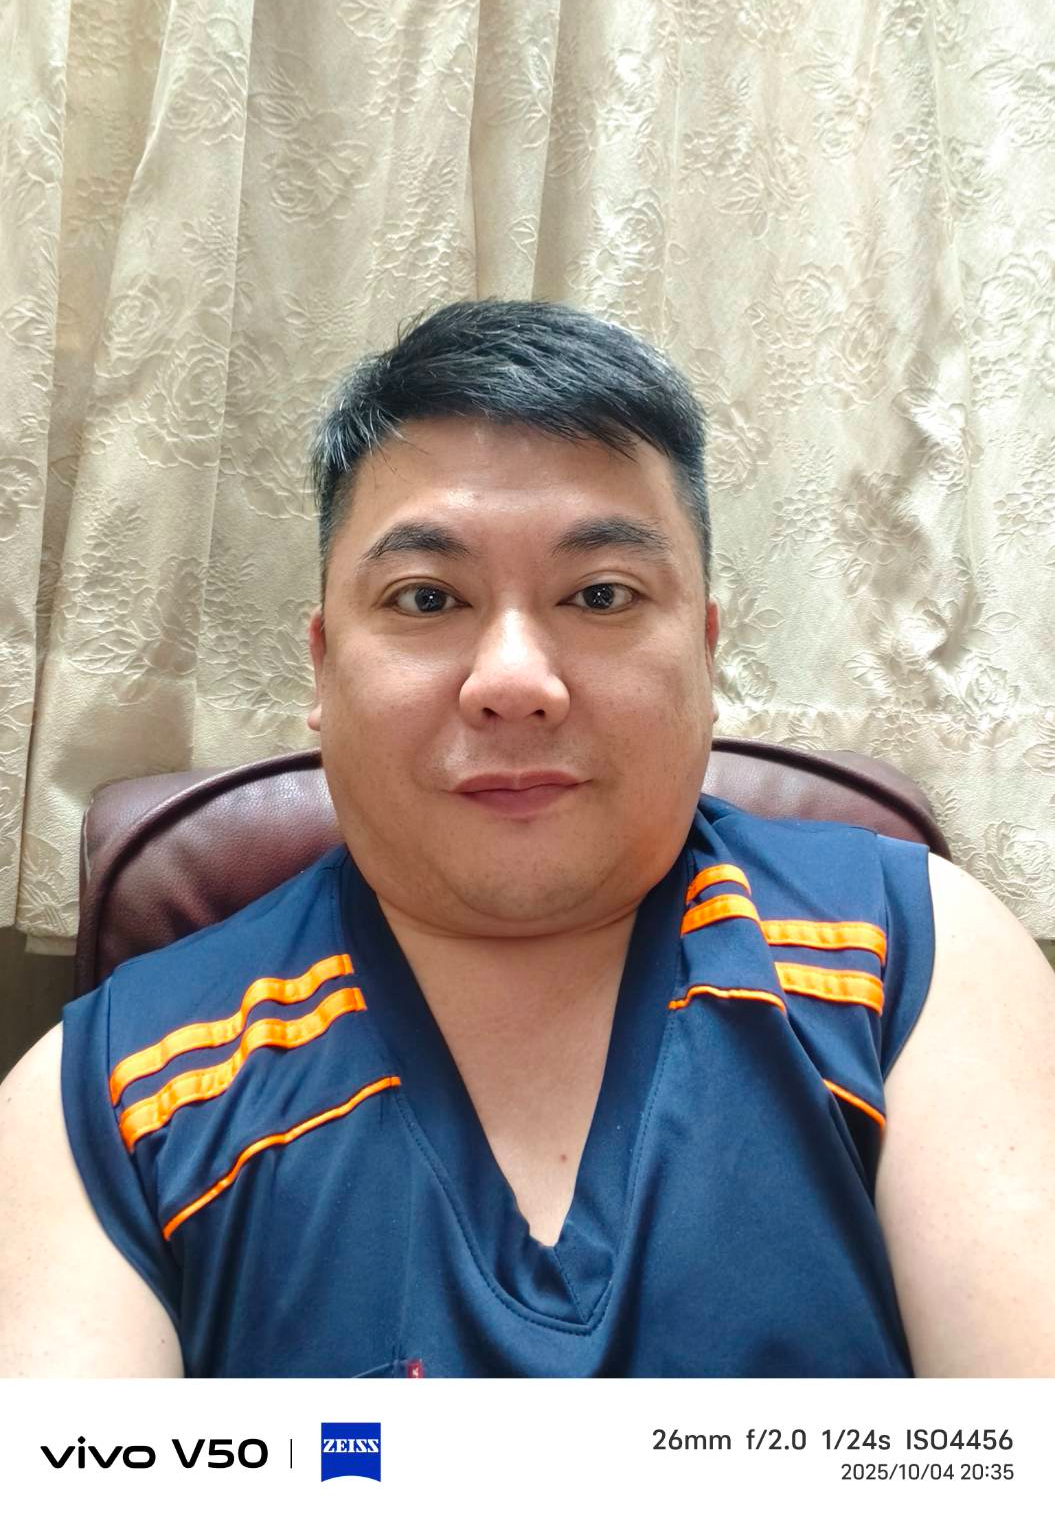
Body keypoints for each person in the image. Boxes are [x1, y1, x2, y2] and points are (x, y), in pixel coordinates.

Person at [1, 299, 1053, 1378]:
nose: (513, 680)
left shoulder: (913, 959)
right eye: (425, 598)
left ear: (704, 652)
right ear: (321, 666)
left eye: (600, 594)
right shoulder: (110, 1097)